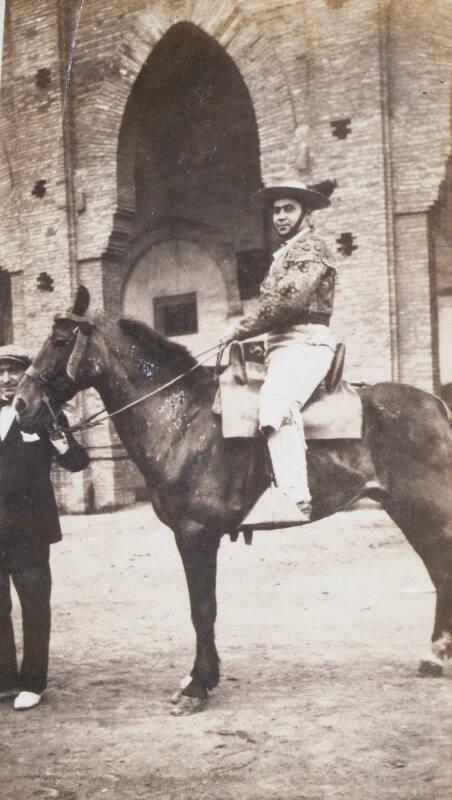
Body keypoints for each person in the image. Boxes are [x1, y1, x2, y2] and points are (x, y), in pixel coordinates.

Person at [220, 179, 337, 522]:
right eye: (276, 210)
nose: (281, 216)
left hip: (306, 345)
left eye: (289, 209)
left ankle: (295, 498)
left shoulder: (311, 249)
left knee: (275, 403)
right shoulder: (285, 254)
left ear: (306, 212)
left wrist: (238, 330)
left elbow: (287, 304)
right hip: (280, 346)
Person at [0, 344, 89, 710]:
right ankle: (4, 680)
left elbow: (77, 461)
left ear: (26, 376)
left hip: (30, 529)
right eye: (0, 372)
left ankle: (33, 682)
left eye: (13, 372)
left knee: (35, 605)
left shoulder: (44, 413)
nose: (6, 379)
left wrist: (56, 435)